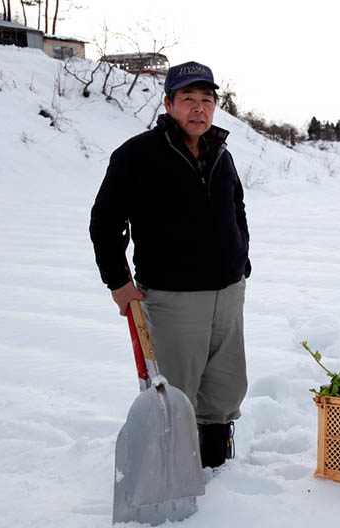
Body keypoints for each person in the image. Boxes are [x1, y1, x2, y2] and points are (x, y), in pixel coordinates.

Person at [89, 61, 250, 469]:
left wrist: (241, 258)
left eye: (207, 101)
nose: (199, 109)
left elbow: (236, 207)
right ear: (168, 103)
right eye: (188, 100)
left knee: (225, 385)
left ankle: (215, 460)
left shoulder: (220, 152)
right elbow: (105, 221)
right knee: (177, 388)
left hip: (228, 291)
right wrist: (118, 282)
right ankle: (174, 468)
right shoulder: (137, 155)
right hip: (173, 295)